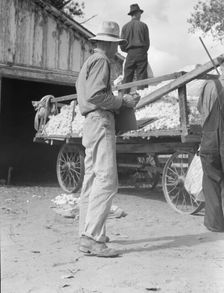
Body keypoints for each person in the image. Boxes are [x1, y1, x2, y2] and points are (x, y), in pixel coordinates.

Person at [76, 21, 140, 257]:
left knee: (91, 181)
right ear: (108, 44)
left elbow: (91, 94)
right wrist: (123, 101)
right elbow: (96, 95)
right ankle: (93, 237)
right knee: (107, 180)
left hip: (90, 123)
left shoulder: (88, 63)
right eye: (116, 45)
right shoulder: (102, 61)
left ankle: (87, 233)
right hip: (101, 120)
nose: (117, 50)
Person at [197, 58, 224, 232]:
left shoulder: (210, 85)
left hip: (211, 138)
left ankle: (215, 224)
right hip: (216, 138)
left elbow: (202, 110)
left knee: (212, 179)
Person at [120, 3, 151, 93]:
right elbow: (147, 43)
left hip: (130, 53)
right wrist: (142, 51)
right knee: (142, 77)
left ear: (131, 14)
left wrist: (128, 51)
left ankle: (124, 97)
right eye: (140, 13)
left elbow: (122, 44)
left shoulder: (125, 27)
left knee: (127, 77)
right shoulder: (143, 26)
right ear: (137, 13)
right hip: (141, 52)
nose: (140, 15)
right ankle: (142, 97)